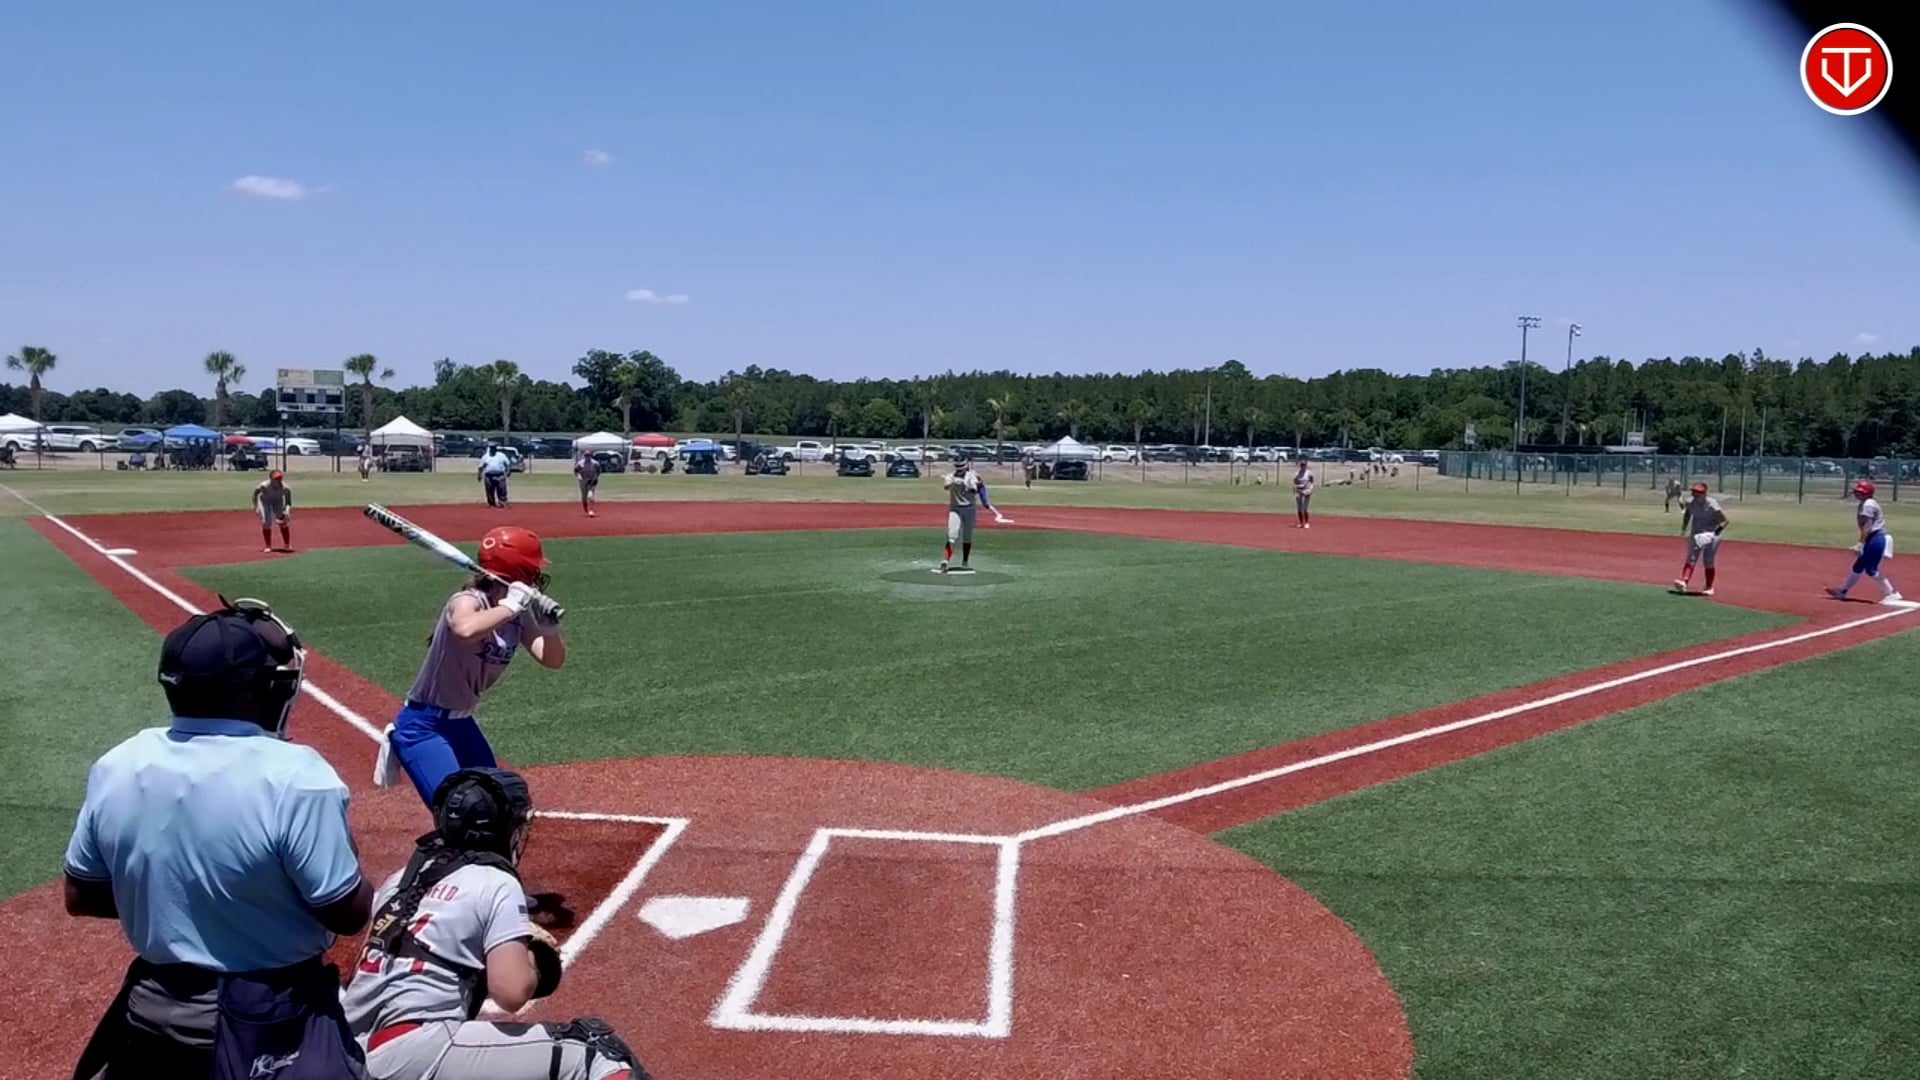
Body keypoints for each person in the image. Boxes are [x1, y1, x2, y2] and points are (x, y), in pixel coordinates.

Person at [65, 597, 374, 1079]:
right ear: (251, 691)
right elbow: (346, 912)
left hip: (151, 1006)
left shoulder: (118, 763)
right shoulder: (296, 775)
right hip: (268, 1017)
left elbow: (82, 895)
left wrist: (182, 903)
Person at [342, 768, 650, 1080]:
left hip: (348, 1053)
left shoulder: (400, 880)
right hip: (414, 1049)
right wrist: (533, 962)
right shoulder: (496, 881)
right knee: (595, 1052)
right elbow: (511, 993)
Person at [376, 526, 565, 807]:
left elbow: (551, 660)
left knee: (499, 803)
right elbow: (465, 629)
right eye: (532, 569)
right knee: (463, 811)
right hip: (424, 726)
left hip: (462, 723)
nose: (536, 576)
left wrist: (550, 629)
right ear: (519, 570)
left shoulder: (517, 615)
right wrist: (510, 606)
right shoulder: (467, 601)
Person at [1826, 480, 1903, 603]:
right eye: (1857, 491)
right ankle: (1842, 591)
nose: (1857, 494)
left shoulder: (1868, 505)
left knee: (1870, 568)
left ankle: (1891, 593)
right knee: (1858, 565)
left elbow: (1867, 525)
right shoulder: (1866, 503)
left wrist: (1860, 543)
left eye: (1860, 492)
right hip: (1873, 537)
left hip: (1877, 538)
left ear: (1867, 493)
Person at [937, 457, 1002, 573]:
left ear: (966, 465)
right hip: (955, 508)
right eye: (958, 466)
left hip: (969, 508)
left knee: (967, 536)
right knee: (952, 534)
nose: (960, 469)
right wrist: (954, 483)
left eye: (962, 466)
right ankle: (945, 560)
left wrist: (975, 488)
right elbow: (946, 486)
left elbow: (977, 489)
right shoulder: (950, 476)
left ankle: (965, 560)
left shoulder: (972, 476)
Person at [1673, 482, 1729, 596]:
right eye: (1694, 491)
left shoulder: (1712, 504)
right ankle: (1684, 581)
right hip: (1697, 533)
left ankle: (1709, 587)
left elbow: (1725, 521)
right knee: (1691, 558)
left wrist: (1714, 534)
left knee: (1708, 561)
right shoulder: (1690, 502)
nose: (1695, 494)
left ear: (1704, 493)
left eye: (1698, 492)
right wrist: (1684, 528)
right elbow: (1687, 514)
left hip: (1711, 535)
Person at [252, 469, 294, 553]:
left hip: (277, 501)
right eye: (276, 479)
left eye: (280, 478)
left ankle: (287, 544)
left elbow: (288, 502)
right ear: (271, 479)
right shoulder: (264, 485)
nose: (278, 480)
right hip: (265, 501)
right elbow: (255, 494)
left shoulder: (286, 488)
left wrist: (287, 511)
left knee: (283, 521)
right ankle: (268, 546)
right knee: (266, 522)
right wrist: (256, 506)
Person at [574, 449, 601, 518]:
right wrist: (579, 476)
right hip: (583, 481)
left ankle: (591, 510)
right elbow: (576, 471)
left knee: (590, 496)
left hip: (592, 481)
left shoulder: (595, 463)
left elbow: (598, 471)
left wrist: (595, 478)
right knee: (584, 497)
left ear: (591, 456)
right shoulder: (580, 463)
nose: (587, 457)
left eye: (588, 455)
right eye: (586, 455)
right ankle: (585, 507)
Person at [1292, 459, 1315, 528]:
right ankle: (1301, 523)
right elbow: (1294, 483)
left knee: (1305, 508)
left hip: (1306, 491)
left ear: (1306, 465)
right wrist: (1295, 492)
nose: (1302, 466)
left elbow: (1312, 482)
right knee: (1299, 508)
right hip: (1299, 491)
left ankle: (1306, 523)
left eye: (1304, 465)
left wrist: (1310, 489)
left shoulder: (1309, 473)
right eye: (1301, 465)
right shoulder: (1297, 474)